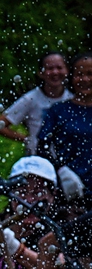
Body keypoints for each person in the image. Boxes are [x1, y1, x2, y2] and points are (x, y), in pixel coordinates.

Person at [0, 52, 71, 155]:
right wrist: (27, 139)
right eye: (50, 68)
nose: (55, 72)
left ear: (67, 71)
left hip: (68, 159)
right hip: (38, 159)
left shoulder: (73, 98)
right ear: (40, 73)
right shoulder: (30, 99)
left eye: (59, 67)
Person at [35, 54, 92, 183]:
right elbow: (42, 149)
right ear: (71, 77)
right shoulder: (58, 111)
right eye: (79, 74)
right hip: (68, 187)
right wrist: (60, 170)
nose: (85, 79)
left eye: (90, 74)